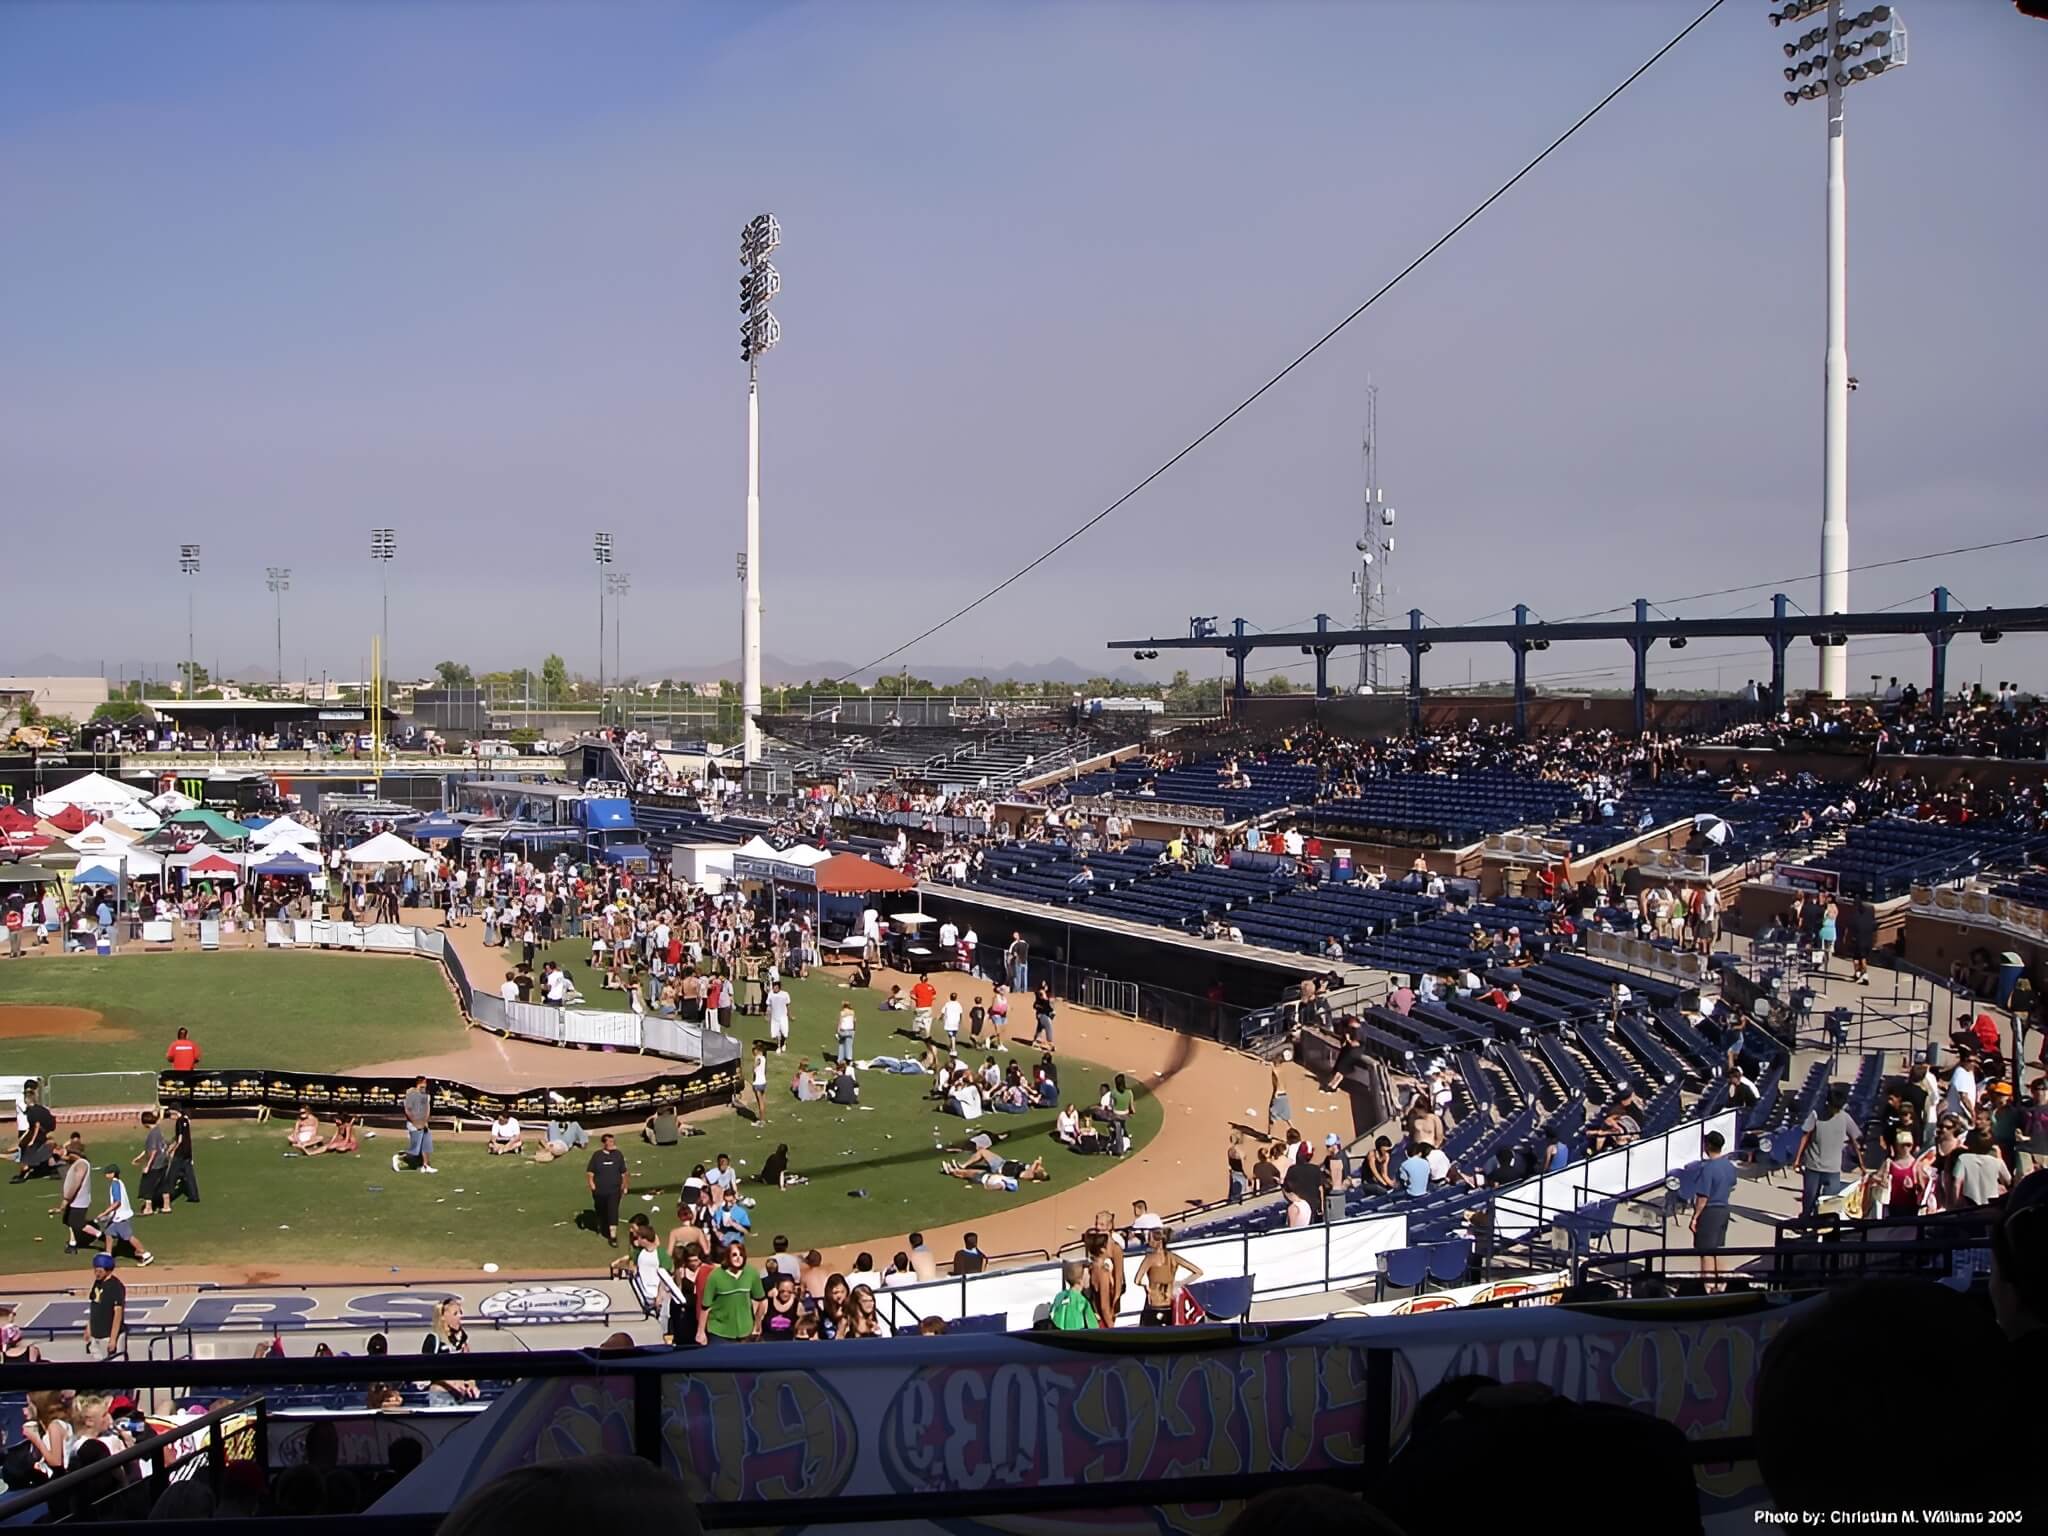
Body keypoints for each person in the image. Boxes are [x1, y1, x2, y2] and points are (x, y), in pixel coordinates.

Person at [1794, 1082, 1863, 1217]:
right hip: (1813, 1164)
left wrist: (1862, 1164)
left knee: (1829, 1201)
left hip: (1832, 1168)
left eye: (1838, 1108)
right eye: (1833, 1108)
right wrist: (1797, 1159)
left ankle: (1822, 1225)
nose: (1835, 1111)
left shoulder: (1845, 1118)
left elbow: (1855, 1140)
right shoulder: (1816, 1115)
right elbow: (1805, 1135)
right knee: (1809, 1197)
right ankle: (1805, 1220)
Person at [1688, 1130, 1737, 1287]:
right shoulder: (1729, 1165)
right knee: (1717, 1249)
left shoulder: (1708, 1168)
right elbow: (1732, 1185)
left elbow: (1703, 1197)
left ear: (1708, 1145)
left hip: (1710, 1212)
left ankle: (1707, 1286)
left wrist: (1695, 1217)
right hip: (1724, 1209)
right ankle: (1721, 1282)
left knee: (1706, 1252)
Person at [698, 1241, 765, 1344]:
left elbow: (761, 1300)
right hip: (719, 1331)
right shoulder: (715, 1276)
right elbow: (706, 1306)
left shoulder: (751, 1273)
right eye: (734, 1255)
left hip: (745, 1331)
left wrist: (757, 1324)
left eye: (741, 1254)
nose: (738, 1258)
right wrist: (700, 1332)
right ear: (727, 1256)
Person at [1135, 1226, 1202, 1326]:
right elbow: (1198, 1272)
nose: (1148, 1242)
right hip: (1170, 1306)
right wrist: (1179, 1283)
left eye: (1149, 1238)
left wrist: (1146, 1286)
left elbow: (1137, 1280)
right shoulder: (1173, 1258)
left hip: (1154, 1305)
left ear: (1158, 1241)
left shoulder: (1150, 1259)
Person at [420, 1299, 478, 1404]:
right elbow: (428, 1369)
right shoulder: (434, 1339)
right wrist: (452, 1383)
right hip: (441, 1396)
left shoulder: (462, 1340)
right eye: (455, 1313)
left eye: (460, 1313)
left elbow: (470, 1367)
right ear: (443, 1317)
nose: (460, 1316)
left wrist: (471, 1384)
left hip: (461, 1396)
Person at [94, 1163, 152, 1264]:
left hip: (121, 1217)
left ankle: (145, 1254)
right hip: (118, 1216)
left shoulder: (115, 1184)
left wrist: (105, 1213)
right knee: (108, 1233)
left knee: (128, 1236)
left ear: (113, 1174)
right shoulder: (119, 1182)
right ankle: (108, 1255)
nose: (106, 1175)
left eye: (107, 1173)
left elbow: (117, 1202)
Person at [586, 1132, 629, 1247]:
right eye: (609, 1141)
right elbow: (590, 1172)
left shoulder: (618, 1155)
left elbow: (624, 1173)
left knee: (613, 1210)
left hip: (614, 1190)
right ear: (603, 1143)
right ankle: (601, 1223)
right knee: (601, 1209)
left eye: (612, 1141)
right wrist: (592, 1184)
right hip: (600, 1190)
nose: (611, 1143)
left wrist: (625, 1186)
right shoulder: (597, 1156)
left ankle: (613, 1236)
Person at [1955, 1130, 2012, 1209]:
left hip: (1969, 1205)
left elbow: (1956, 1183)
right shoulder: (1997, 1162)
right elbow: (2008, 1182)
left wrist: (1956, 1203)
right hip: (1991, 1206)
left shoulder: (1963, 1159)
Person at [84, 1253, 125, 1357]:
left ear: (109, 1270)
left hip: (108, 1336)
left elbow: (118, 1314)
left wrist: (113, 1339)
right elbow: (94, 1307)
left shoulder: (116, 1287)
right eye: (95, 1270)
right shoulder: (97, 1283)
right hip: (96, 1335)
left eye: (100, 1271)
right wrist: (89, 1328)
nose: (97, 1274)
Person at [394, 1075, 436, 1175]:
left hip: (423, 1124)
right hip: (414, 1125)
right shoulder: (411, 1093)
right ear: (420, 1083)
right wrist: (415, 1123)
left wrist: (425, 1121)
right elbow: (407, 1110)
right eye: (425, 1082)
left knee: (426, 1146)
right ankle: (398, 1158)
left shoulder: (425, 1095)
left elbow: (427, 1108)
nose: (426, 1084)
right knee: (416, 1150)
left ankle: (425, 1166)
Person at [134, 1110, 171, 1213]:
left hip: (156, 1164)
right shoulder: (158, 1130)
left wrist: (147, 1166)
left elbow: (153, 1151)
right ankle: (166, 1206)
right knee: (164, 1184)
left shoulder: (152, 1134)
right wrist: (140, 1157)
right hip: (164, 1161)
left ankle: (148, 1208)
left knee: (148, 1185)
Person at [1049, 1261, 1096, 1330]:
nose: (1089, 1276)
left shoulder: (1059, 1296)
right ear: (1080, 1280)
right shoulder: (1082, 1301)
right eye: (1088, 1273)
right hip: (1076, 1337)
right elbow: (1094, 1328)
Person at [764, 980, 792, 1053]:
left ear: (779, 988)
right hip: (774, 1017)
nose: (774, 989)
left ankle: (784, 1043)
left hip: (783, 1017)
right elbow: (769, 1006)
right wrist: (767, 1015)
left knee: (784, 1033)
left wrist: (790, 1015)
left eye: (776, 987)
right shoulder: (770, 994)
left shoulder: (785, 994)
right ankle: (779, 1046)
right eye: (774, 987)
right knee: (776, 1034)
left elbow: (788, 1005)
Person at [1267, 1065, 1291, 1136]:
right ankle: (1295, 1131)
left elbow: (1277, 1085)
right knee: (1287, 1118)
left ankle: (1269, 1134)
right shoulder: (1283, 1070)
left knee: (1271, 1116)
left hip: (1278, 1096)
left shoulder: (1276, 1072)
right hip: (1284, 1096)